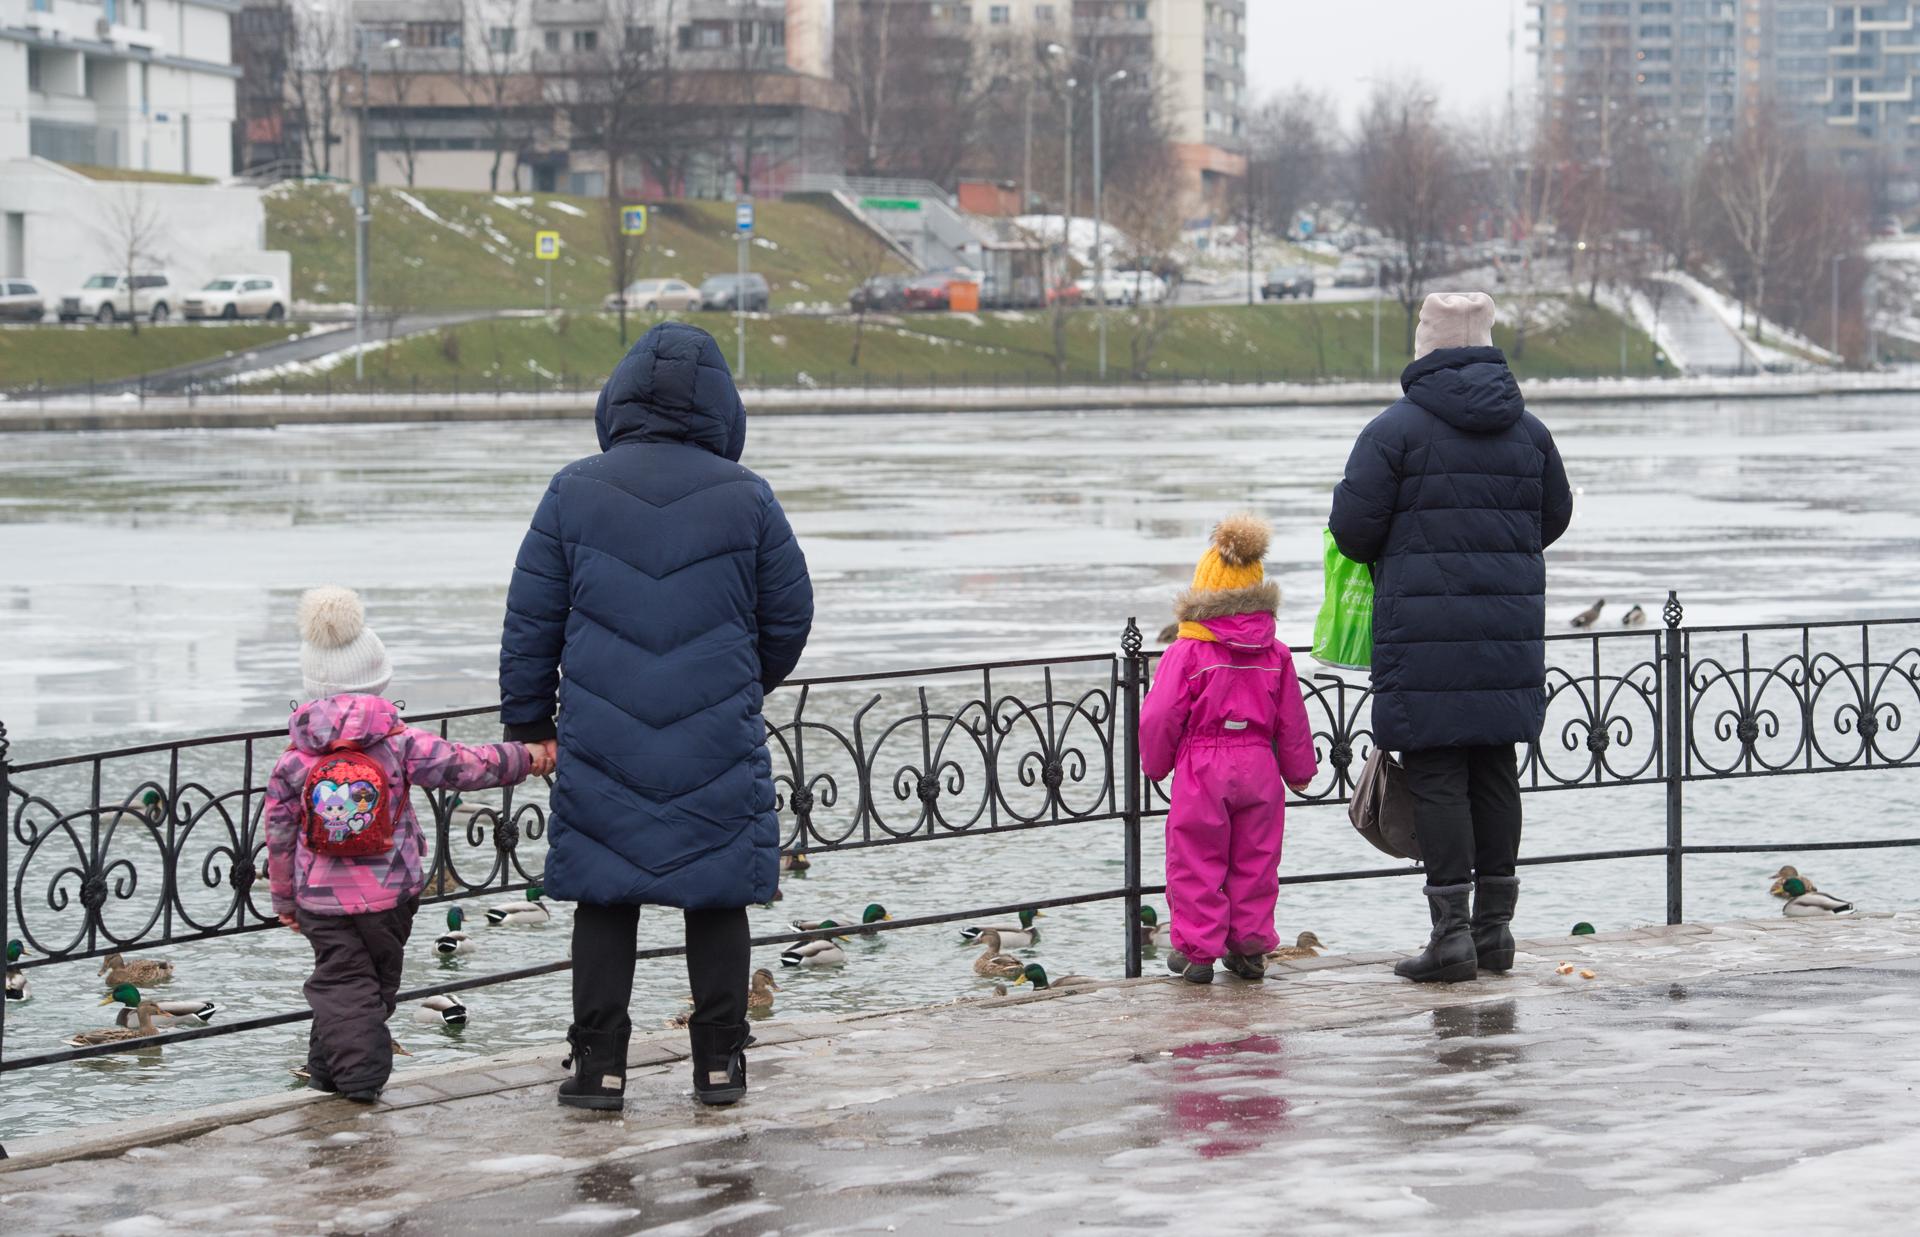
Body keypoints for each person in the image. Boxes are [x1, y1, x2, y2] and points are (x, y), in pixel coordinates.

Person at [499, 321, 813, 1109]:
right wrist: (744, 683)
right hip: (715, 730)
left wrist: (531, 724)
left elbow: (530, 620)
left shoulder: (573, 489)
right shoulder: (748, 497)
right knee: (716, 896)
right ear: (721, 407)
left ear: (619, 397)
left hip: (601, 736)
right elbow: (791, 614)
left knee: (605, 895)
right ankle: (718, 1065)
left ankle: (600, 1068)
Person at [1328, 292, 1573, 983]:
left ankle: (1451, 936)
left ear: (1424, 347)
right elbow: (1554, 516)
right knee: (1494, 768)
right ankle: (1496, 934)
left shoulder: (1394, 431)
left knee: (1437, 772)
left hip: (1424, 632)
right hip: (1506, 631)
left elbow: (1351, 530)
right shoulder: (1529, 431)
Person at [266, 586, 550, 1102]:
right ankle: (360, 1080)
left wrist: (284, 897)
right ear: (379, 681)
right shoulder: (400, 743)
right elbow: (468, 765)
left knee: (343, 982)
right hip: (390, 895)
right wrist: (528, 757)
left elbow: (280, 832)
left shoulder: (294, 758)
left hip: (319, 900)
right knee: (367, 984)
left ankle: (329, 1072)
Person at [1140, 515, 1318, 985]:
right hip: (1259, 764)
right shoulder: (1274, 652)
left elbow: (1160, 715)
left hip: (1203, 764)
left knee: (1197, 858)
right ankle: (1250, 948)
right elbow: (1292, 719)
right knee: (1256, 860)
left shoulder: (1188, 652)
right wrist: (1299, 770)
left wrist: (1156, 764)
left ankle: (1198, 953)